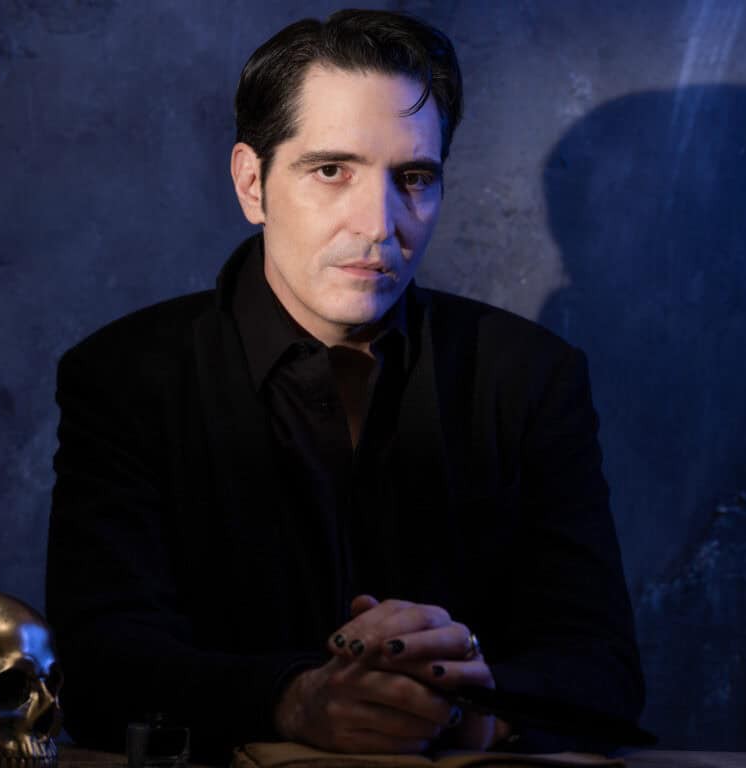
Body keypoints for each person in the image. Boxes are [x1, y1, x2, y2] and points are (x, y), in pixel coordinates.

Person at [46, 9, 644, 762]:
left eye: (413, 178)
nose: (379, 224)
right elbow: (98, 668)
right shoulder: (125, 376)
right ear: (253, 184)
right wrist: (293, 699)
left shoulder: (530, 377)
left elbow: (605, 668)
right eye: (332, 171)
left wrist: (470, 703)